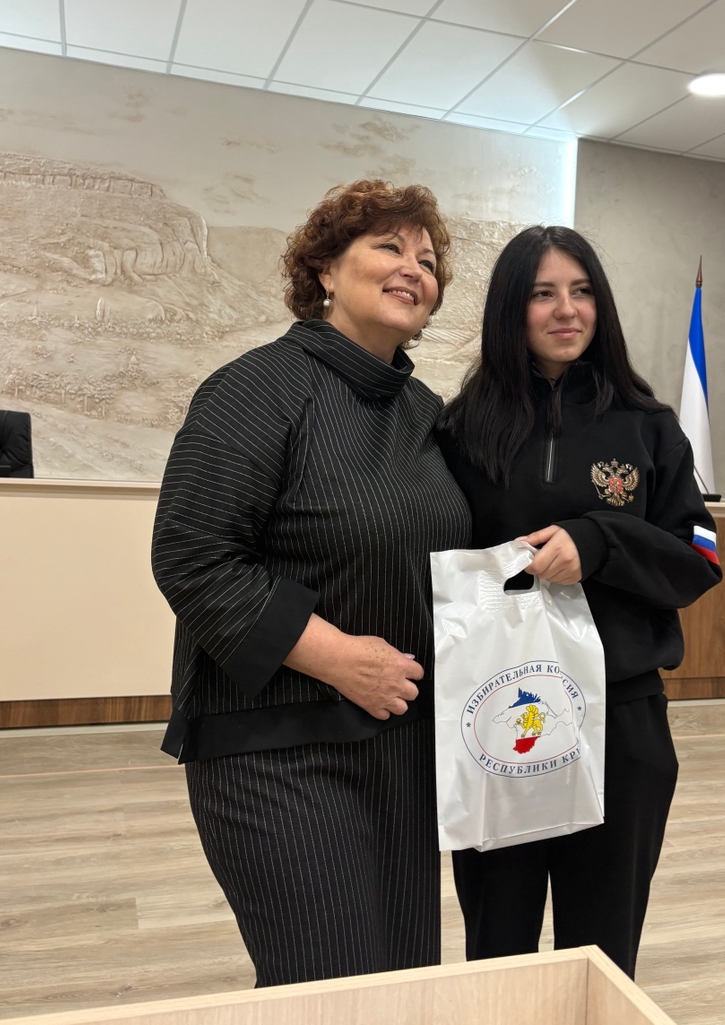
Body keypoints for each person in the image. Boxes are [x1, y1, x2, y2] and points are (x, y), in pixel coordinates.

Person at [152, 180, 470, 987]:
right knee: (329, 985)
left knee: (400, 982)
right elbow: (193, 555)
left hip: (401, 744)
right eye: (389, 247)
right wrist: (338, 658)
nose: (414, 268)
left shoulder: (425, 410)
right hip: (277, 747)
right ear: (325, 269)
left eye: (427, 259)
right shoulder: (256, 387)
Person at [436, 225, 722, 978]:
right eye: (543, 293)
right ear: (511, 309)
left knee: (601, 953)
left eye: (583, 290)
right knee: (496, 948)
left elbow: (700, 559)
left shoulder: (649, 426)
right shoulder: (460, 428)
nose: (567, 310)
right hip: (499, 719)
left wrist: (598, 540)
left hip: (620, 720)